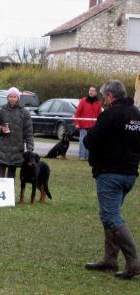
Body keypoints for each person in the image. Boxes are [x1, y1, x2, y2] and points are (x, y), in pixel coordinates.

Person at [84, 80, 140, 280]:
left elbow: (90, 140)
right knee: (109, 214)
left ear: (110, 96)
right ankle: (110, 258)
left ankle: (133, 261)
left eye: (104, 96)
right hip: (130, 174)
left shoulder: (110, 114)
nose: (103, 100)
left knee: (111, 217)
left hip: (110, 173)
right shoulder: (136, 114)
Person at [0, 87, 34, 178]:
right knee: (0, 175)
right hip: (2, 149)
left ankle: (9, 193)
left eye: (14, 96)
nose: (12, 98)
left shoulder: (25, 113)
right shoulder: (1, 110)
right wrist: (1, 129)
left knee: (11, 176)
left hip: (17, 150)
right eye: (10, 96)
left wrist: (30, 146)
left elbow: (29, 132)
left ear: (18, 98)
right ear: (7, 97)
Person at [73, 86, 102, 160]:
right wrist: (76, 123)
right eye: (90, 90)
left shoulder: (98, 103)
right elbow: (77, 113)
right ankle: (81, 156)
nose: (91, 92)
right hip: (83, 125)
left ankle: (88, 156)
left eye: (93, 91)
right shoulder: (83, 101)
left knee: (91, 142)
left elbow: (100, 115)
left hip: (93, 126)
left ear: (95, 93)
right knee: (82, 141)